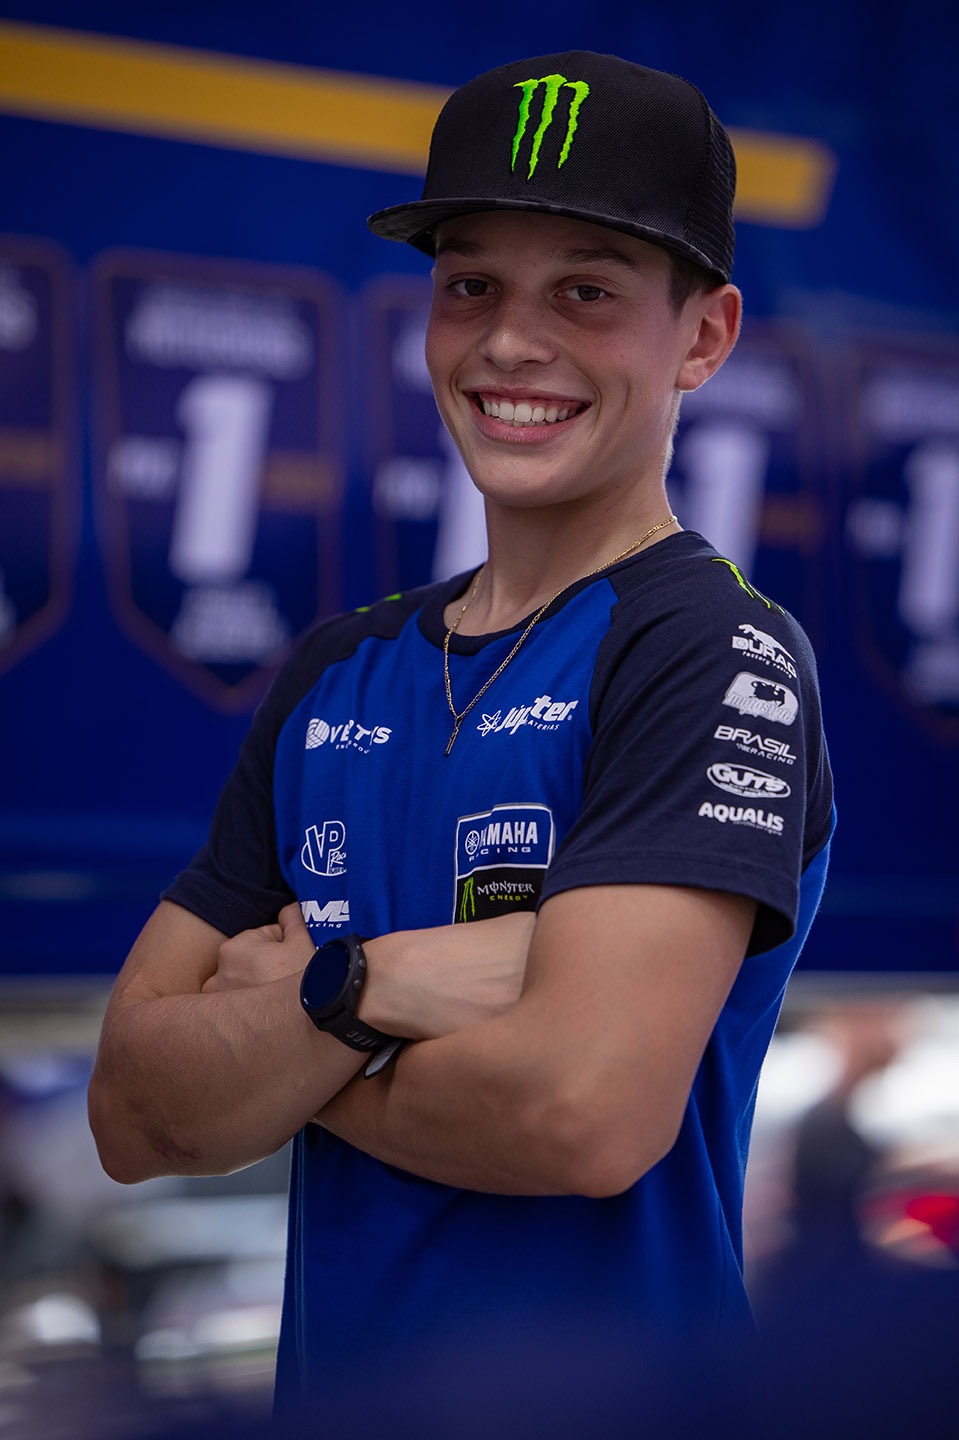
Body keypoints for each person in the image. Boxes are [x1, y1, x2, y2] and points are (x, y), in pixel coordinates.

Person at [88, 50, 834, 1422]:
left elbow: (582, 1114)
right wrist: (406, 988)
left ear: (705, 337)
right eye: (471, 284)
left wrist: (315, 1006)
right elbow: (135, 1115)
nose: (509, 344)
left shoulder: (708, 646)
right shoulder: (339, 667)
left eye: (588, 291)